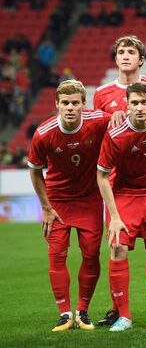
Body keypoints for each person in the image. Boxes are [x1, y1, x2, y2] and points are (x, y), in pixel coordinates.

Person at [93, 35, 146, 327]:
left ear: (141, 58)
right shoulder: (102, 93)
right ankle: (120, 312)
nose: (125, 56)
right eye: (121, 52)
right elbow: (99, 131)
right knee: (117, 247)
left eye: (131, 52)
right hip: (120, 184)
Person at [28, 80, 110, 331]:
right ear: (57, 105)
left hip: (90, 200)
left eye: (75, 103)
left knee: (91, 254)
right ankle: (65, 314)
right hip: (57, 203)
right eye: (65, 103)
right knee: (56, 256)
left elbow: (123, 119)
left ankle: (83, 312)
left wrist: (119, 113)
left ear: (83, 104)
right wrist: (45, 206)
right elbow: (35, 171)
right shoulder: (44, 133)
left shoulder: (98, 120)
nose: (70, 107)